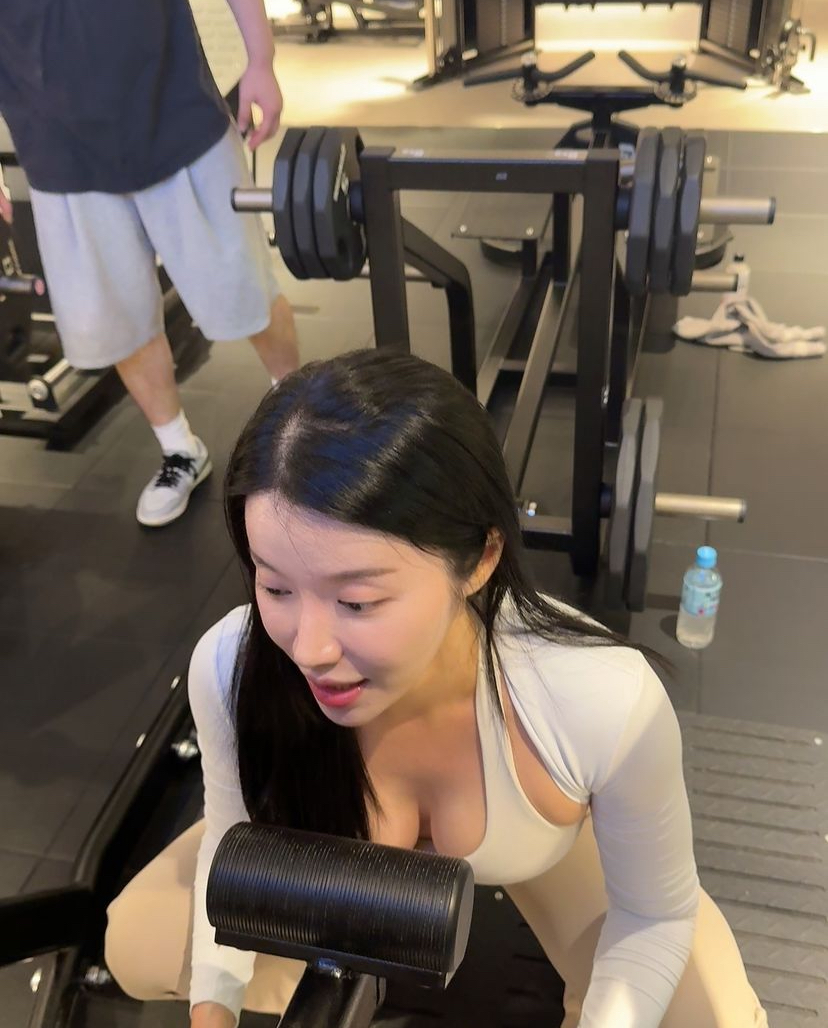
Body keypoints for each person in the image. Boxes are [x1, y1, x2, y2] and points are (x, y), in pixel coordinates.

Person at [104, 350, 768, 1028]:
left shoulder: (596, 698)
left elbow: (654, 915)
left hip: (542, 849)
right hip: (330, 860)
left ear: (480, 560)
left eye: (357, 602)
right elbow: (233, 843)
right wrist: (214, 1010)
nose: (307, 649)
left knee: (705, 1018)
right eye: (274, 587)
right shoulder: (235, 664)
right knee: (138, 940)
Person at [0, 0, 299, 527]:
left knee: (243, 290)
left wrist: (261, 59)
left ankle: (301, 418)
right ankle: (180, 449)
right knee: (119, 321)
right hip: (56, 148)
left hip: (177, 116)